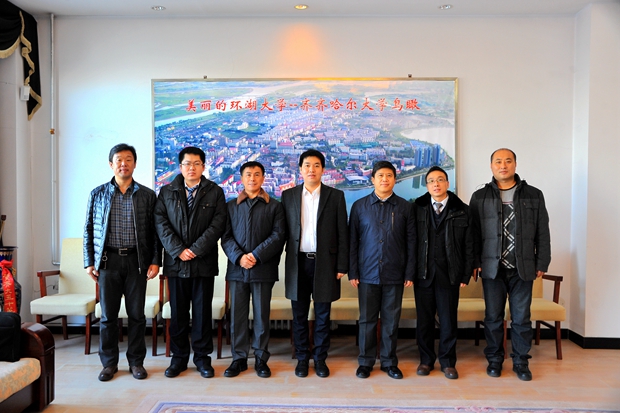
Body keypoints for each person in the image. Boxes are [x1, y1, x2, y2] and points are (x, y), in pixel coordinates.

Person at [469, 148, 551, 381]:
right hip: (491, 268)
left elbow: (542, 232)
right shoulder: (480, 196)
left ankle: (521, 361)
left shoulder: (533, 194)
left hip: (522, 268)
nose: (503, 165)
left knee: (521, 318)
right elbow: (473, 234)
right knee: (493, 317)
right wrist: (474, 262)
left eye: (508, 161)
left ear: (515, 164)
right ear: (491, 166)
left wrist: (542, 261)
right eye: (498, 161)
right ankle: (495, 359)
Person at [83, 143, 160, 382]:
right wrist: (89, 262)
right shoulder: (98, 194)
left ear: (135, 164)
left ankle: (136, 362)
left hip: (137, 261)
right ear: (111, 164)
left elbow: (155, 233)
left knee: (137, 315)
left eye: (128, 159)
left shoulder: (147, 195)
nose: (123, 164)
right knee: (108, 317)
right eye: (119, 159)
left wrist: (155, 261)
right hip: (108, 261)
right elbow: (88, 230)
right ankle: (109, 364)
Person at [154, 146, 227, 379]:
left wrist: (195, 250)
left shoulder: (215, 192)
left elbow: (218, 224)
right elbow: (160, 223)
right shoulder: (167, 192)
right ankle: (179, 358)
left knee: (202, 314)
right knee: (178, 314)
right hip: (176, 264)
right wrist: (178, 250)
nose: (191, 168)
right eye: (187, 163)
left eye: (196, 163)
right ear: (180, 166)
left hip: (203, 263)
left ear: (203, 166)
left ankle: (202, 359)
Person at [281, 149, 349, 378]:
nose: (312, 169)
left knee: (322, 316)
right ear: (300, 169)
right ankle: (302, 359)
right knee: (299, 315)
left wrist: (342, 265)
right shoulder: (288, 196)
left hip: (326, 264)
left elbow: (342, 232)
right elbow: (282, 232)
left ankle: (320, 359)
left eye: (316, 165)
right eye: (307, 165)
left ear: (323, 169)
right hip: (297, 263)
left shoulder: (335, 196)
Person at [348, 161, 416, 380]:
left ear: (395, 179)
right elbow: (352, 242)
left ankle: (389, 362)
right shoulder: (359, 206)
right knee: (367, 320)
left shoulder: (405, 207)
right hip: (367, 273)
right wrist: (353, 271)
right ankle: (365, 362)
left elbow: (411, 242)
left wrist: (409, 272)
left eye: (389, 175)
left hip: (395, 273)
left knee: (391, 321)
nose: (385, 179)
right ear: (373, 179)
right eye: (380, 176)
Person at [221, 161, 286, 378]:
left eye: (257, 174)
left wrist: (256, 255)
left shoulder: (274, 206)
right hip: (237, 269)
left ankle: (261, 358)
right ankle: (238, 359)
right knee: (237, 316)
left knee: (261, 315)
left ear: (263, 178)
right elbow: (226, 237)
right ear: (241, 179)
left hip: (263, 268)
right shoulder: (231, 206)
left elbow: (278, 236)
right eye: (248, 174)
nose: (252, 178)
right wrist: (240, 257)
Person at [413, 166, 474, 380]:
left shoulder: (463, 210)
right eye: (431, 181)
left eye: (440, 180)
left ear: (448, 184)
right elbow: (410, 242)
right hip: (423, 274)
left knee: (448, 321)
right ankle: (426, 360)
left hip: (450, 275)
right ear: (427, 185)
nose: (436, 184)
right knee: (424, 321)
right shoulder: (417, 208)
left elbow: (469, 245)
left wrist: (465, 274)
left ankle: (448, 362)